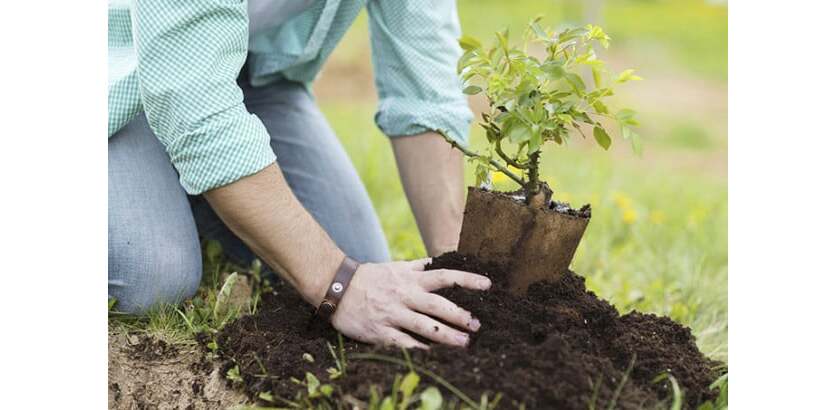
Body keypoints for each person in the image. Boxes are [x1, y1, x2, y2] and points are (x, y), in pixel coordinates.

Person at [108, 0, 490, 349]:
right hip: (120, 62)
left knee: (361, 261)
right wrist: (338, 285)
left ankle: (194, 183)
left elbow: (425, 81)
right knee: (151, 278)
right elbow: (193, 100)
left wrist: (458, 275)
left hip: (257, 76)